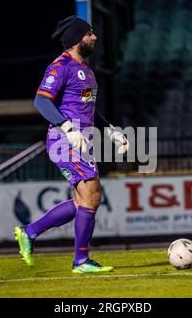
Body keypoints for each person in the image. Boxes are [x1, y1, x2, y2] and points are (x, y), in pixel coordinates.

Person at [14, 16, 129, 274]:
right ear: (77, 38)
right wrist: (66, 127)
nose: (94, 37)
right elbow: (42, 102)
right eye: (89, 33)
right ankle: (81, 261)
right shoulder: (60, 67)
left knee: (82, 202)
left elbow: (88, 109)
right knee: (92, 194)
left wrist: (110, 130)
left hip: (82, 142)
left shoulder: (86, 69)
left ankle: (29, 232)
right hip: (64, 141)